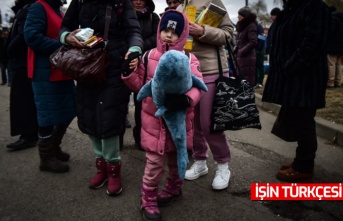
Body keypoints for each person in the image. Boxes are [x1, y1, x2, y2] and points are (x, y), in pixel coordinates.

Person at [122, 10, 204, 220]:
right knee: (154, 164)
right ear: (159, 30)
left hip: (179, 122)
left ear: (183, 34)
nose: (168, 35)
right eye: (165, 29)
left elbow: (198, 87)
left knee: (176, 161)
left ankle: (174, 188)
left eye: (174, 32)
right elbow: (139, 85)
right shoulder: (149, 56)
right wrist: (129, 72)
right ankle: (148, 197)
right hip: (154, 123)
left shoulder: (189, 58)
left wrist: (187, 100)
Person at [59, 0, 143, 195]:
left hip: (114, 65)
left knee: (110, 115)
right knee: (88, 114)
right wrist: (66, 37)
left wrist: (135, 50)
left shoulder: (122, 2)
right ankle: (101, 166)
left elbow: (134, 31)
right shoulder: (79, 1)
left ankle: (113, 168)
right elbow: (65, 26)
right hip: (86, 64)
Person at [262, 0, 331, 182]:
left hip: (306, 77)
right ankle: (299, 162)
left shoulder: (315, 7)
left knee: (304, 121)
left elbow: (313, 43)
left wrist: (291, 65)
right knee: (299, 119)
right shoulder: (293, 9)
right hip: (294, 78)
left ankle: (304, 167)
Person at [177, 0, 234, 190]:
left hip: (211, 71)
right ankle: (200, 162)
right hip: (187, 72)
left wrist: (202, 31)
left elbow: (228, 35)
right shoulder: (179, 7)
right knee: (194, 123)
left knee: (210, 123)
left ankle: (223, 165)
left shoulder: (212, 1)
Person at [24, 0, 76, 173]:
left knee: (67, 111)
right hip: (44, 71)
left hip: (61, 69)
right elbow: (31, 37)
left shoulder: (59, 11)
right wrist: (63, 44)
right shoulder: (39, 7)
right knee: (47, 115)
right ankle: (46, 158)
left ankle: (54, 147)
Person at [6, 0, 39, 151]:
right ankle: (30, 134)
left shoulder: (28, 9)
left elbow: (23, 36)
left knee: (23, 99)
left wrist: (9, 49)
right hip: (23, 61)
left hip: (22, 62)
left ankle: (28, 136)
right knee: (26, 99)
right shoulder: (25, 8)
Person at [131, 0, 160, 150]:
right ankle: (117, 140)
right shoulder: (123, 15)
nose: (137, 2)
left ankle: (140, 138)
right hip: (126, 63)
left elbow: (157, 39)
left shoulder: (153, 17)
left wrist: (136, 46)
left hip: (145, 66)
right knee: (119, 104)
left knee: (141, 104)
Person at [233, 6, 258, 85]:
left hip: (247, 58)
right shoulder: (242, 27)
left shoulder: (251, 26)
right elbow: (239, 42)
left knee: (247, 80)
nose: (238, 16)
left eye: (240, 15)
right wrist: (235, 51)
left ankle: (248, 96)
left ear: (245, 16)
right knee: (241, 79)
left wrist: (241, 51)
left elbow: (253, 42)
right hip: (241, 57)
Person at [326, 6, 343, 88]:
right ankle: (338, 81)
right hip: (341, 46)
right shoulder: (341, 20)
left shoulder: (332, 19)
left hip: (333, 46)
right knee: (338, 64)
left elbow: (330, 32)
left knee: (331, 64)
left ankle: (330, 82)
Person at [255, 22, 266, 88]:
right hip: (256, 49)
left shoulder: (259, 27)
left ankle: (260, 81)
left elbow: (262, 38)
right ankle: (256, 81)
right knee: (256, 67)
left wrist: (259, 49)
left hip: (259, 50)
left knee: (260, 66)